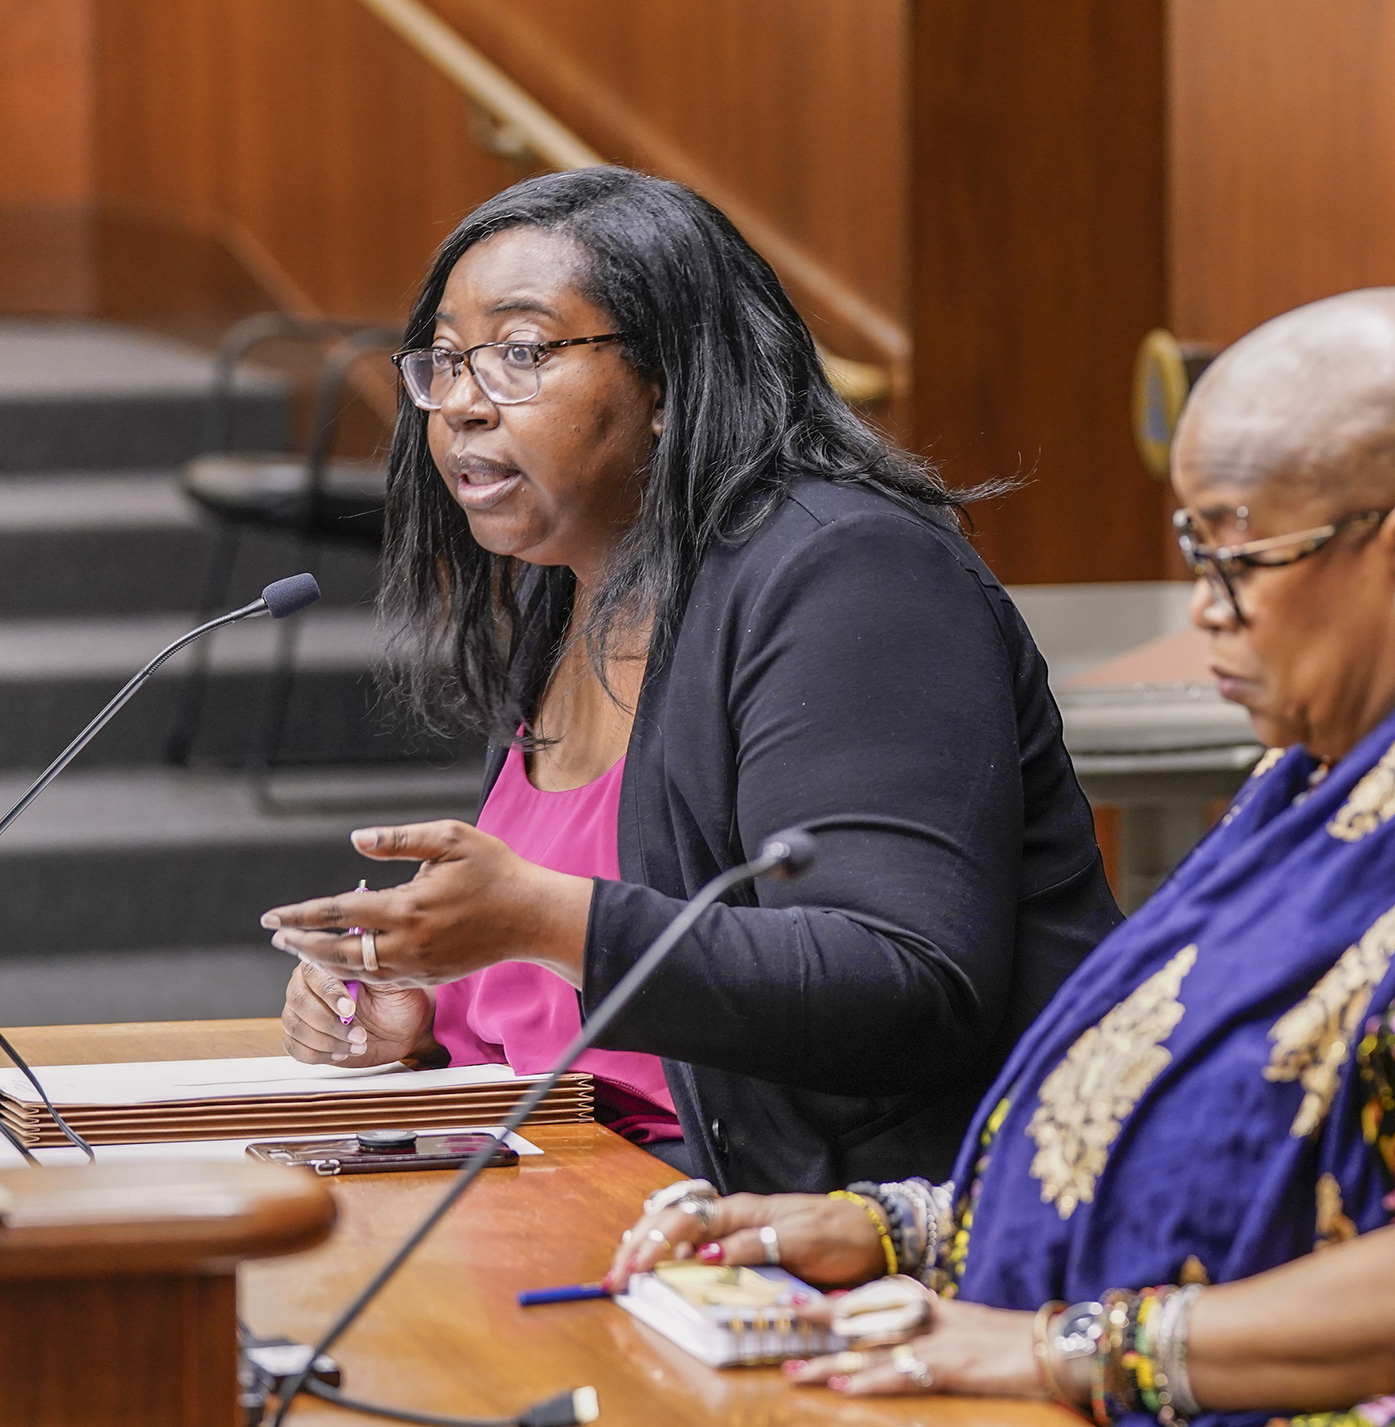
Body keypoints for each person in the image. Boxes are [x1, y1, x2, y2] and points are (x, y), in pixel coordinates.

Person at [609, 289, 1395, 1427]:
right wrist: (900, 1232)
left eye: (1237, 557)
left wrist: (1063, 1349)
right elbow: (1198, 1141)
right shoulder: (1334, 777)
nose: (1204, 608)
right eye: (1195, 553)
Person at [257, 167, 1120, 1190]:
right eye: (442, 362)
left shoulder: (852, 576)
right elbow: (594, 984)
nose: (459, 406)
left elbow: (904, 984)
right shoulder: (571, 588)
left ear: (666, 379)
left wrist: (537, 919)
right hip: (570, 1188)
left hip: (839, 1248)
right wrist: (428, 1008)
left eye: (521, 354)